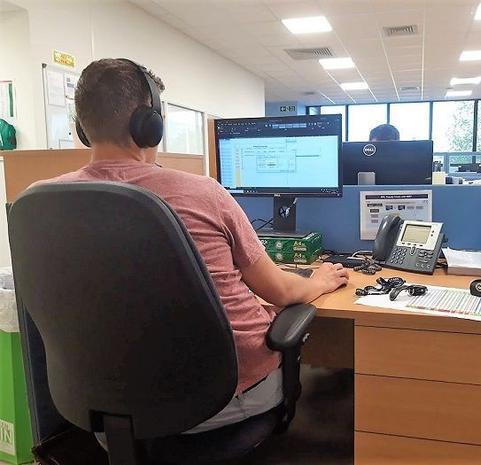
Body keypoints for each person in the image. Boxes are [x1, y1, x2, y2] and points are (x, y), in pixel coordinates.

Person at [32, 58, 350, 434]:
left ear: (82, 126)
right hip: (216, 399)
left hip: (104, 409)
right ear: (150, 125)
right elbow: (281, 292)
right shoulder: (203, 194)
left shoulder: (40, 203)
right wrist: (321, 280)